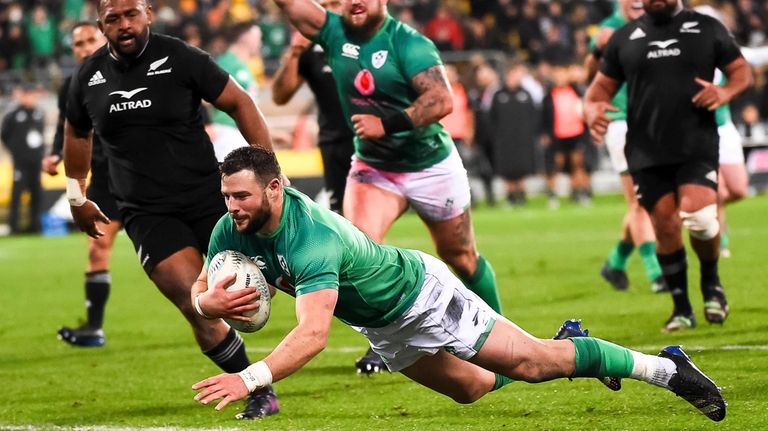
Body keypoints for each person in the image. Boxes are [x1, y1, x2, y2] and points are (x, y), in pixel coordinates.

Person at [191, 146, 727, 423]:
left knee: (532, 365)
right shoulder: (228, 228)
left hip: (422, 295)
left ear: (276, 188)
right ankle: (570, 344)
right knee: (470, 390)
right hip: (383, 326)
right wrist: (205, 300)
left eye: (242, 196)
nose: (232, 206)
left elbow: (313, 334)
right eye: (227, 196)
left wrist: (251, 377)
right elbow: (201, 286)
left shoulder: (311, 238)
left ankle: (665, 368)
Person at [62, 0, 279, 418]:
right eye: (113, 18)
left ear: (147, 14)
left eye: (131, 15)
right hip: (147, 213)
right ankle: (256, 389)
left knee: (274, 281)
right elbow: (77, 132)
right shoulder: (88, 77)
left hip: (209, 199)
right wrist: (77, 196)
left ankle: (386, 326)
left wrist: (268, 173)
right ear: (100, 24)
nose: (123, 25)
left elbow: (240, 103)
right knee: (193, 301)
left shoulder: (181, 57)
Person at [269, 0, 504, 372]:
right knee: (362, 254)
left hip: (430, 166)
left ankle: (502, 336)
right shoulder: (333, 31)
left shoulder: (409, 43)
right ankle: (385, 344)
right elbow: (292, 8)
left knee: (461, 256)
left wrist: (387, 123)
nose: (354, 1)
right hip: (374, 168)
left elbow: (442, 100)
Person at [584, 0, 752, 331]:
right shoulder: (625, 37)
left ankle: (711, 283)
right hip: (646, 148)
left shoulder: (705, 27)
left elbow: (741, 70)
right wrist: (591, 111)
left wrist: (726, 91)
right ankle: (682, 309)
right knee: (664, 226)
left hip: (696, 144)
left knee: (701, 217)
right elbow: (597, 91)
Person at [41, 22, 117, 347]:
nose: (85, 48)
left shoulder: (129, 70)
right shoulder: (72, 85)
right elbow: (67, 126)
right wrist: (55, 155)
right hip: (103, 178)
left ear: (104, 38)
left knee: (179, 254)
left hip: (144, 177)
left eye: (90, 40)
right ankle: (94, 329)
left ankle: (219, 311)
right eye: (78, 44)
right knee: (97, 248)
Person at [584, 0, 666, 293]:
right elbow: (588, 73)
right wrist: (597, 50)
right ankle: (657, 273)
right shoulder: (608, 30)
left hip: (653, 120)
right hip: (621, 122)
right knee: (640, 202)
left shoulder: (658, 24)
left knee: (659, 200)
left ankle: (616, 261)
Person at [271, 0, 355, 215]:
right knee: (343, 214)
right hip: (334, 144)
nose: (326, 11)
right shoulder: (309, 47)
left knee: (371, 213)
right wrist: (295, 53)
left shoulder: (364, 37)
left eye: (332, 4)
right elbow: (280, 96)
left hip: (373, 140)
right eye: (322, 5)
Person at [210, 22, 263, 162]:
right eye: (258, 37)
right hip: (227, 130)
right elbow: (203, 95)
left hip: (241, 131)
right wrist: (206, 124)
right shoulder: (226, 63)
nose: (260, 42)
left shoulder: (243, 65)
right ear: (245, 37)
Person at [541, 62, 591, 209]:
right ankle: (552, 194)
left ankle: (579, 192)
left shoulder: (577, 92)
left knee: (577, 163)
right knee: (556, 164)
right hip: (557, 135)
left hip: (576, 133)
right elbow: (544, 116)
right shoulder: (549, 96)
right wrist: (545, 133)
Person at [488, 62, 539, 207]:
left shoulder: (526, 93)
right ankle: (510, 195)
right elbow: (491, 117)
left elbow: (534, 115)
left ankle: (522, 195)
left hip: (523, 139)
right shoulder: (498, 94)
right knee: (506, 168)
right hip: (504, 139)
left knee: (522, 166)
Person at [1, 83, 45, 234]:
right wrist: (16, 151)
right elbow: (4, 135)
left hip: (36, 161)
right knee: (17, 193)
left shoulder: (39, 113)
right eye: (28, 95)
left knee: (36, 193)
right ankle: (14, 226)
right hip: (20, 162)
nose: (31, 98)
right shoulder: (13, 115)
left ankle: (35, 226)